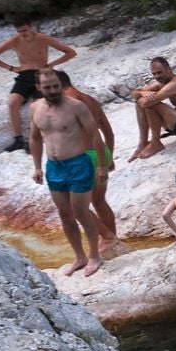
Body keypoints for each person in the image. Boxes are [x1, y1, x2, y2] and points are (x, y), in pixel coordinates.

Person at [27, 70, 107, 276]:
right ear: (39, 88)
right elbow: (35, 138)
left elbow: (94, 135)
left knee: (81, 212)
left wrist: (101, 165)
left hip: (77, 163)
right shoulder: (35, 108)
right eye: (48, 87)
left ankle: (94, 256)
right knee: (65, 214)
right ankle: (79, 257)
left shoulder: (75, 106)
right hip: (54, 167)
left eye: (56, 86)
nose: (53, 91)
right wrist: (36, 166)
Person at [56, 73, 123, 257]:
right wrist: (107, 158)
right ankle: (112, 242)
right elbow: (109, 133)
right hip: (99, 154)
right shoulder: (90, 100)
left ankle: (108, 237)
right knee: (99, 201)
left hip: (82, 157)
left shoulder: (68, 102)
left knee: (74, 205)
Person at [0, 21, 78, 152]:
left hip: (42, 73)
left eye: (24, 31)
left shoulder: (43, 39)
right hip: (24, 75)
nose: (22, 34)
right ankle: (18, 140)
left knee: (40, 104)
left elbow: (70, 52)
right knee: (12, 103)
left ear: (30, 27)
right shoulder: (14, 40)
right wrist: (10, 68)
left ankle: (37, 138)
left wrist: (52, 64)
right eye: (19, 31)